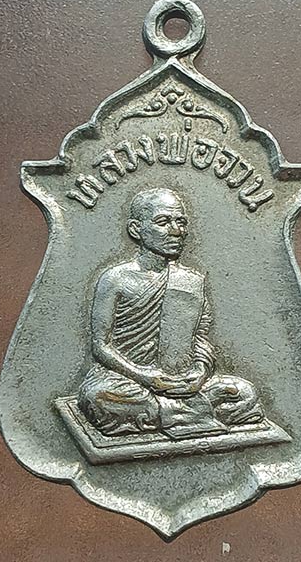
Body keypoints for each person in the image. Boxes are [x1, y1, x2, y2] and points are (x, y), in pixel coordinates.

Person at [78, 188, 264, 438]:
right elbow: (101, 345)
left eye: (181, 222)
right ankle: (192, 412)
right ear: (136, 229)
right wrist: (145, 377)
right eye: (163, 222)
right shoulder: (115, 279)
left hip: (182, 380)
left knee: (245, 393)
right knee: (98, 398)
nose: (176, 231)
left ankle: (169, 413)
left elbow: (200, 338)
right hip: (127, 378)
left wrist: (200, 371)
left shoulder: (190, 281)